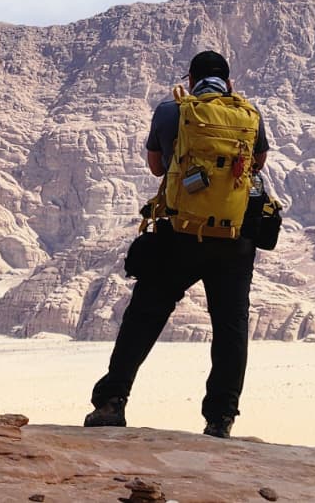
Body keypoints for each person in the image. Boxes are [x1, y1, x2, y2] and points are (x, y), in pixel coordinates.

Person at [83, 50, 270, 439]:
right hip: (233, 239)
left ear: (190, 79)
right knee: (230, 325)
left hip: (180, 233)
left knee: (145, 315)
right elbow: (257, 164)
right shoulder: (249, 114)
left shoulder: (172, 110)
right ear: (229, 82)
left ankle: (111, 402)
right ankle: (220, 419)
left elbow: (155, 166)